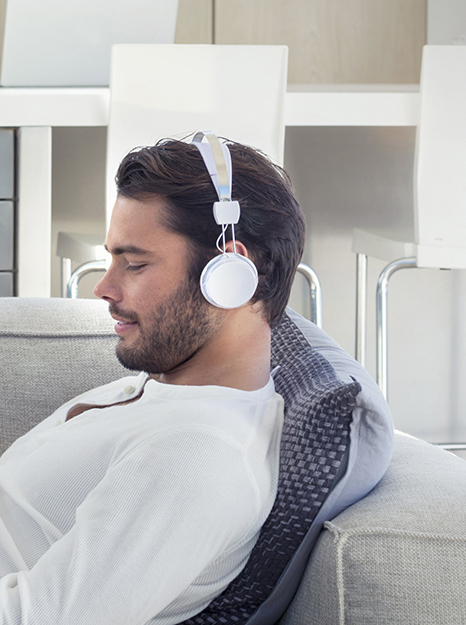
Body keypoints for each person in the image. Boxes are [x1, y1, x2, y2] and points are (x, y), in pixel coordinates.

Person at [0, 134, 305, 624]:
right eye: (111, 260)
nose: (103, 287)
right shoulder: (172, 383)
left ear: (231, 272)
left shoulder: (196, 456)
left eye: (135, 264)